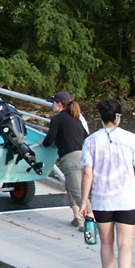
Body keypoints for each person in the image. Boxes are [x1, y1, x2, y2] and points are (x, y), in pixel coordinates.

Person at [79, 99, 135, 268]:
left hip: (102, 199)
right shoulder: (131, 138)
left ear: (100, 117)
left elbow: (87, 174)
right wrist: (130, 188)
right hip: (126, 199)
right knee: (125, 244)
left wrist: (83, 201)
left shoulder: (91, 141)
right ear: (119, 117)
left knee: (106, 243)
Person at [39, 91, 89, 230]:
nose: (51, 106)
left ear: (59, 104)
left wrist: (42, 143)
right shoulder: (76, 118)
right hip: (84, 157)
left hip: (70, 159)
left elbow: (49, 141)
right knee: (70, 187)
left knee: (77, 191)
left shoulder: (57, 119)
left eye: (53, 103)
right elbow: (85, 137)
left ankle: (91, 220)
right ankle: (77, 217)